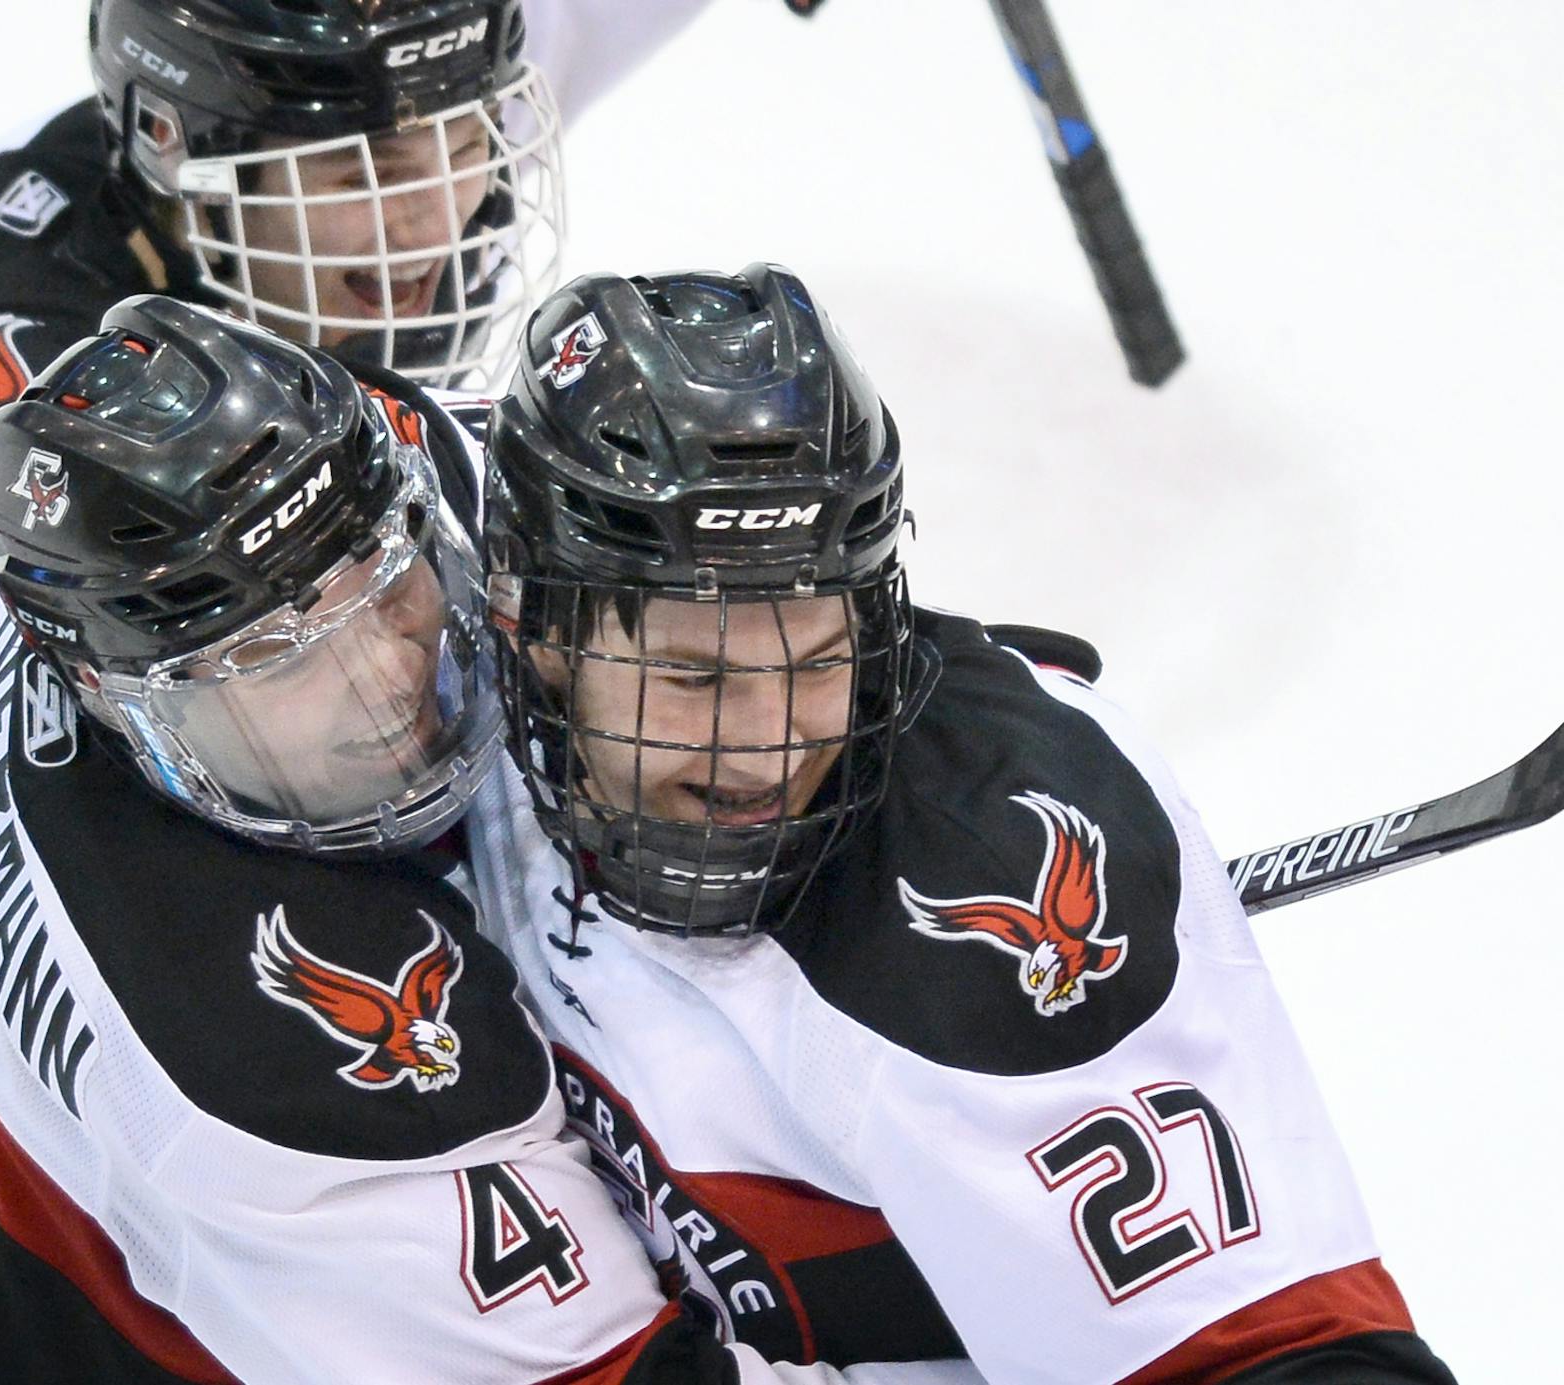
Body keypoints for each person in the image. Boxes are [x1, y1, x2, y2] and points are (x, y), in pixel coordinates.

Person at [0, 297, 974, 1384]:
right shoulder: (239, 1052)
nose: (388, 688)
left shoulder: (414, 496)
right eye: (277, 670)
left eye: (388, 599)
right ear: (137, 717)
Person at [0, 0, 738, 1223]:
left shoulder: (306, 150)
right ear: (174, 142)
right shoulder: (18, 357)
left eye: (462, 132)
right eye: (364, 162)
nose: (436, 213)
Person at [462, 264, 1459, 1381]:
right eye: (691, 678)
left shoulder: (982, 897)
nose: (761, 745)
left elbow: (1288, 1355)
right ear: (528, 625)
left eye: (823, 662)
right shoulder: (420, 668)